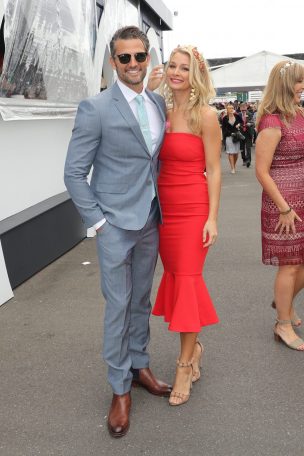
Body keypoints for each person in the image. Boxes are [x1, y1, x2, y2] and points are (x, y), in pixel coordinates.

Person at [64, 26, 172, 438]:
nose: (132, 64)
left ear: (148, 59)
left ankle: (140, 364)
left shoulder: (158, 103)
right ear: (113, 62)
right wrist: (98, 222)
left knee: (141, 299)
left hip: (149, 219)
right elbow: (74, 173)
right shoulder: (96, 108)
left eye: (139, 57)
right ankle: (119, 388)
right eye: (124, 58)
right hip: (113, 225)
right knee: (118, 306)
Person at [148, 45, 221, 405]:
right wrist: (148, 85)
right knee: (177, 281)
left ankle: (183, 365)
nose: (176, 72)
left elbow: (215, 169)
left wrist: (212, 218)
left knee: (188, 283)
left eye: (184, 67)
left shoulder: (205, 115)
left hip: (193, 210)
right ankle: (195, 351)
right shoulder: (158, 110)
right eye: (172, 66)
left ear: (195, 74)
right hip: (165, 211)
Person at [255, 60, 304, 351]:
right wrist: (285, 207)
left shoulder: (298, 114)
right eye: (299, 82)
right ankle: (282, 324)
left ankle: (283, 303)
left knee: (300, 263)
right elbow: (261, 171)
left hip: (302, 199)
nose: (302, 87)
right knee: (290, 265)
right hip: (283, 204)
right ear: (286, 85)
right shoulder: (272, 122)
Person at [221, 104, 242, 173]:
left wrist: (239, 125)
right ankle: (232, 168)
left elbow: (242, 123)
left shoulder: (237, 116)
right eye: (229, 108)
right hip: (229, 137)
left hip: (236, 136)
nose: (231, 109)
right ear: (227, 110)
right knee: (231, 152)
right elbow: (224, 129)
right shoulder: (225, 118)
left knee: (236, 152)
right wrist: (230, 133)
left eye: (232, 108)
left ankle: (234, 165)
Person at [239, 102, 254, 167]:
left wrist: (250, 124)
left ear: (246, 107)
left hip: (248, 133)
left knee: (248, 147)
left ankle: (248, 161)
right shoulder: (238, 115)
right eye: (242, 107)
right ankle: (244, 159)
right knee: (242, 148)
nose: (243, 108)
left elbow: (252, 122)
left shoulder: (250, 114)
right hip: (240, 133)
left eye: (244, 107)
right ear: (240, 108)